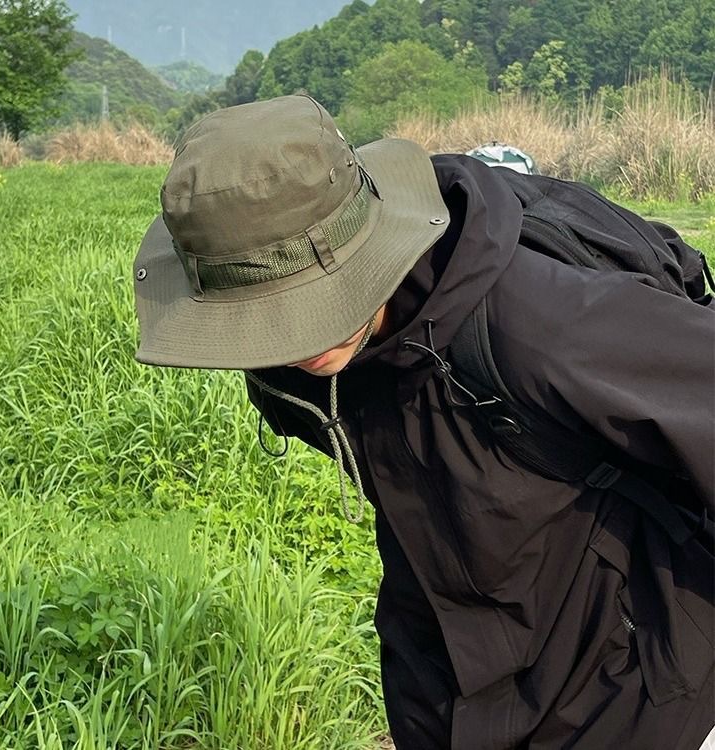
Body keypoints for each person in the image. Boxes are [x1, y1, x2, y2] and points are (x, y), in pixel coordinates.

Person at [133, 94, 714, 749]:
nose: (296, 342)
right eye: (260, 315)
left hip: (629, 696)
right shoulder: (291, 368)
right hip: (442, 690)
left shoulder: (536, 326)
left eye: (305, 304)